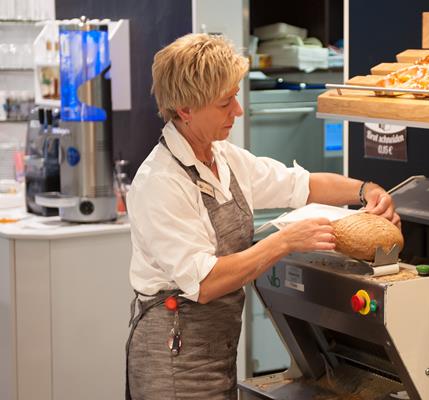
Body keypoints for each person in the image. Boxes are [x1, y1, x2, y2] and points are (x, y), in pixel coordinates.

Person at [126, 33, 402, 400]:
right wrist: (284, 241)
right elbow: (205, 282)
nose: (237, 111)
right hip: (172, 358)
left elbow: (302, 185)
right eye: (225, 102)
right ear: (185, 110)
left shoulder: (225, 159)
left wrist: (365, 189)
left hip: (217, 352)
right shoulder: (160, 183)